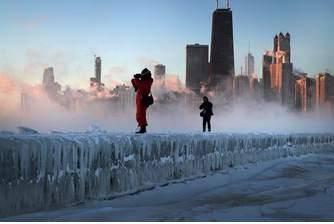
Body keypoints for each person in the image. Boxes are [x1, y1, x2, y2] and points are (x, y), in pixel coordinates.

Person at [131, 68, 153, 134]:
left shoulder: (147, 82)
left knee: (141, 114)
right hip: (140, 100)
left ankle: (143, 128)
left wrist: (137, 78)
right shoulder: (146, 81)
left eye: (143, 75)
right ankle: (141, 126)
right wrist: (138, 77)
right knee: (139, 114)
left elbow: (138, 84)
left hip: (143, 100)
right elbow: (133, 81)